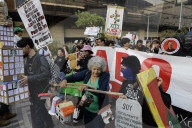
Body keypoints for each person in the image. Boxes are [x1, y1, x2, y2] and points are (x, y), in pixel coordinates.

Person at [119, 56, 172, 127]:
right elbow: (121, 93)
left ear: (131, 68)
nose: (121, 70)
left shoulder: (146, 80)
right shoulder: (126, 80)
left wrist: (156, 87)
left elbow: (161, 102)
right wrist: (122, 97)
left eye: (123, 68)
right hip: (131, 120)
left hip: (146, 122)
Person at [60, 56, 109, 128]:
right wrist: (65, 80)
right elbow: (74, 77)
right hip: (87, 107)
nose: (96, 71)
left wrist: (87, 87)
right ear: (91, 68)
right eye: (94, 69)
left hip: (99, 111)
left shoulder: (105, 76)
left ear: (102, 69)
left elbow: (101, 92)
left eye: (98, 69)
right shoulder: (87, 73)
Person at [17, 38, 54, 128]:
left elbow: (46, 74)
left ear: (27, 46)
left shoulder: (41, 58)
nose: (20, 51)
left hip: (42, 90)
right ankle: (50, 124)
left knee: (37, 113)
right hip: (32, 90)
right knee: (40, 109)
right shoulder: (25, 59)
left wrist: (29, 78)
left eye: (21, 48)